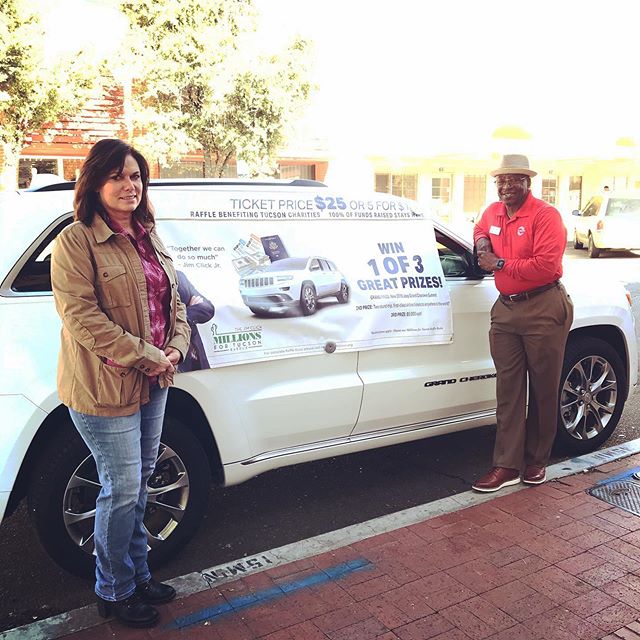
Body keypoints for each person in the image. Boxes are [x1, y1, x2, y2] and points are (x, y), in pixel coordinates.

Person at [51, 138, 191, 628]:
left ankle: (137, 574)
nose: (129, 185)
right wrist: (150, 356)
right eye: (118, 176)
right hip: (105, 386)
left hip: (155, 379)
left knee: (139, 482)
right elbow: (81, 318)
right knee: (123, 486)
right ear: (95, 183)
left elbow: (174, 301)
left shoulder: (147, 234)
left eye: (136, 176)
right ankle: (113, 591)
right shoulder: (76, 240)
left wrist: (174, 345)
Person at [471, 154, 573, 493]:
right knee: (508, 390)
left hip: (543, 305)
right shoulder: (493, 211)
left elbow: (545, 265)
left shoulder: (545, 215)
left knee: (544, 387)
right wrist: (483, 243)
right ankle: (506, 465)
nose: (506, 186)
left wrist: (498, 262)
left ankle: (537, 459)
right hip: (506, 310)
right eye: (501, 180)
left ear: (528, 182)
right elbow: (480, 227)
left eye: (514, 180)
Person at [176, 270, 215, 372]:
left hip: (196, 353)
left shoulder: (179, 275)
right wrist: (188, 308)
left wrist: (184, 315)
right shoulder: (146, 278)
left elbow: (208, 308)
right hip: (173, 356)